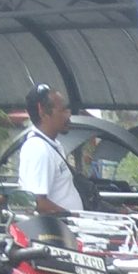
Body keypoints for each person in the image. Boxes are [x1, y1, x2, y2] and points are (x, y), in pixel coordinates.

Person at [15, 83, 85, 218]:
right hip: (54, 233)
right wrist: (71, 216)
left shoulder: (52, 145)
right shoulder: (38, 149)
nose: (68, 115)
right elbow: (36, 202)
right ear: (43, 112)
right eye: (63, 110)